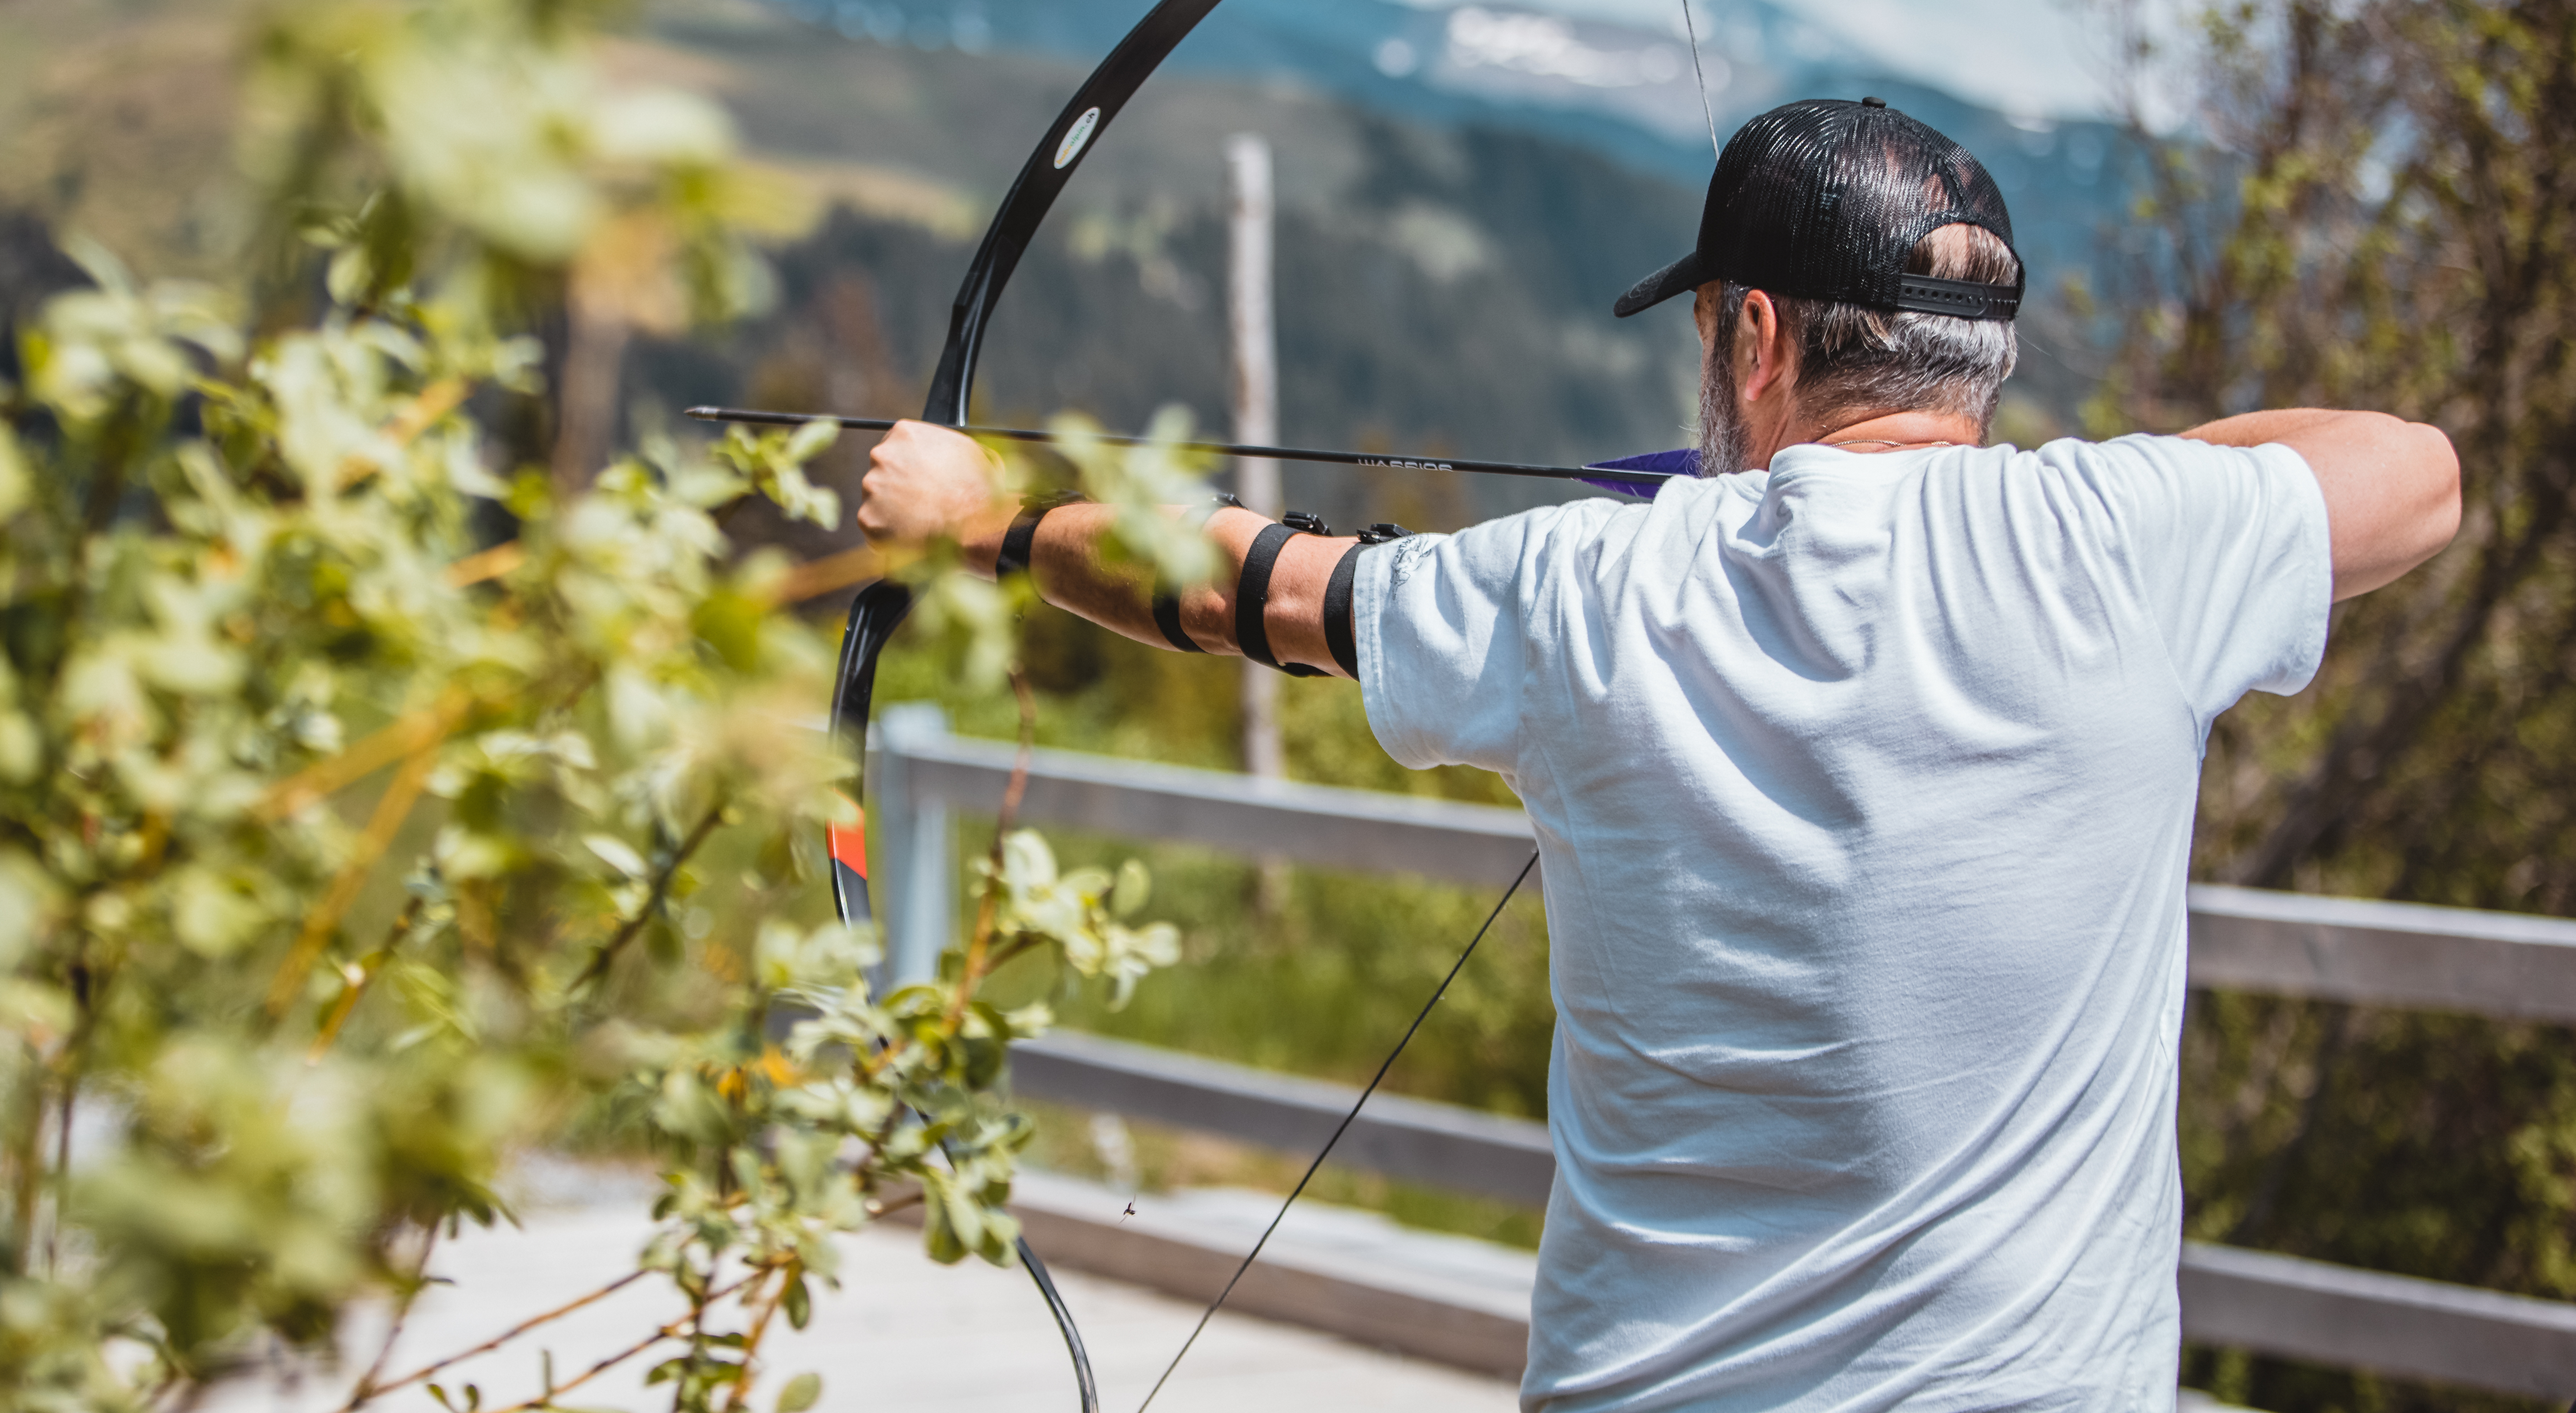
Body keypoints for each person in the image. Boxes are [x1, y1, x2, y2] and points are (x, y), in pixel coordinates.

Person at [853, 97, 2461, 1411]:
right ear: (1980, 354)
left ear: (1753, 335)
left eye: (1707, 327)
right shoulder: (2129, 549)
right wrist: (2083, 492)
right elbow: (2415, 475)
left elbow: (1247, 584)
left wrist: (976, 516)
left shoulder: (1578, 586)